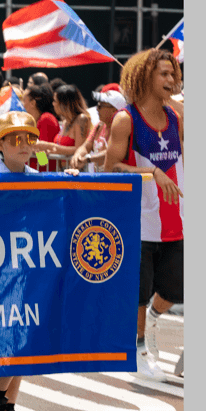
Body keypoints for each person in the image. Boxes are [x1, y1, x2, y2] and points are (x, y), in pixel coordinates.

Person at [0, 111, 80, 411]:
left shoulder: (43, 181)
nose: (23, 144)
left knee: (27, 335)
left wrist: (68, 181)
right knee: (18, 335)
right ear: (0, 145)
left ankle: (3, 403)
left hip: (33, 271)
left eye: (28, 139)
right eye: (15, 139)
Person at [102, 48, 184, 382]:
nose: (171, 79)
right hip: (141, 220)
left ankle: (152, 320)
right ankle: (140, 349)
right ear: (145, 77)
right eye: (163, 74)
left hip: (177, 218)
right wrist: (153, 173)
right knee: (140, 289)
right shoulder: (126, 119)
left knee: (175, 290)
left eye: (173, 74)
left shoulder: (178, 118)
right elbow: (111, 167)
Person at [70, 85, 127, 171]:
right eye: (97, 105)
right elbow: (85, 146)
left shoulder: (122, 127)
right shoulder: (99, 126)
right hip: (99, 179)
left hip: (115, 181)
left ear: (114, 110)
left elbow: (111, 152)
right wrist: (77, 155)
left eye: (101, 106)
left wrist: (88, 158)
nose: (97, 109)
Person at [34, 84, 92, 160]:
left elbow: (80, 150)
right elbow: (44, 161)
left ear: (64, 103)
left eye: (55, 101)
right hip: (59, 169)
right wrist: (37, 152)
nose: (53, 104)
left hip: (73, 170)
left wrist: (49, 146)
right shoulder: (65, 122)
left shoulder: (81, 119)